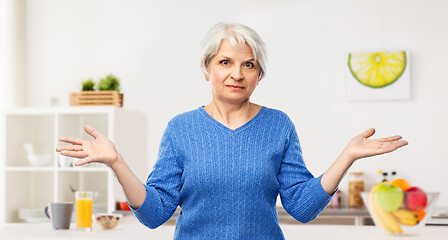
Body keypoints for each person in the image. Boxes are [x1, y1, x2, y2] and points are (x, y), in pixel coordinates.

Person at [56, 22, 408, 239]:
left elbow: (302, 207)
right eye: (225, 62)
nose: (237, 74)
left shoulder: (278, 125)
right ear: (207, 70)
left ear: (259, 74)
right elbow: (154, 214)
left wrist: (346, 156)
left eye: (248, 64)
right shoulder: (181, 129)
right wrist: (117, 161)